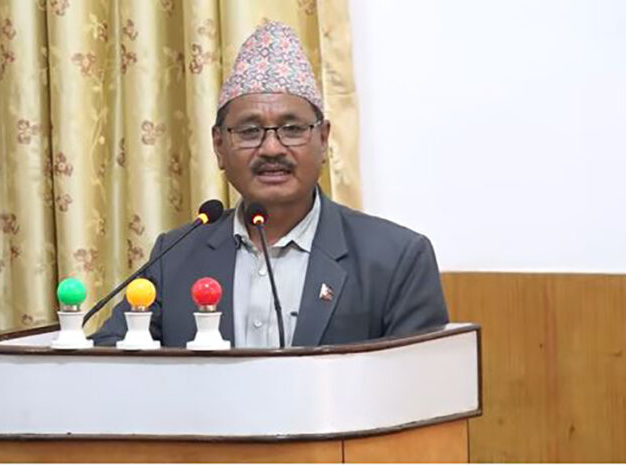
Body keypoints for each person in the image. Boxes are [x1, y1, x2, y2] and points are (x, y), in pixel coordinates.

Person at [92, 21, 448, 347]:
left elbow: (421, 384)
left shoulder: (395, 259)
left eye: (292, 129)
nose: (272, 148)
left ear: (324, 139)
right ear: (219, 146)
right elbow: (109, 357)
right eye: (249, 131)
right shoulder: (175, 257)